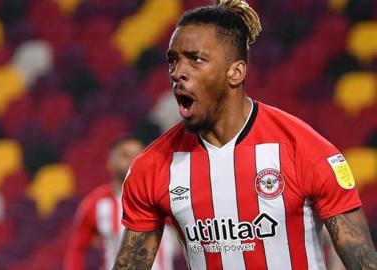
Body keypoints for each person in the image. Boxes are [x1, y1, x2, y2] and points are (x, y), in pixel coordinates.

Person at [113, 0, 377, 269]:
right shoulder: (152, 167)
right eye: (173, 60)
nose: (178, 72)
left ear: (236, 72)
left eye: (195, 59)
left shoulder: (306, 151)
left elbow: (363, 263)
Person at [64, 137, 178, 270]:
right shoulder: (95, 203)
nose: (133, 160)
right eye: (125, 155)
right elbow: (77, 250)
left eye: (138, 155)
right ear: (110, 162)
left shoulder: (165, 196)